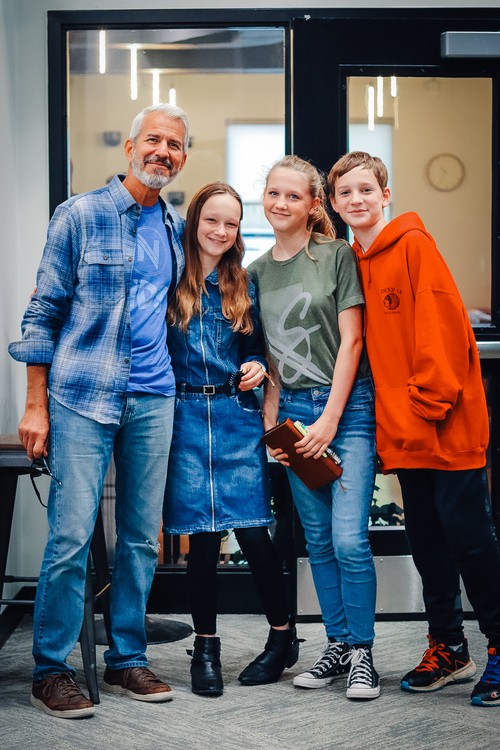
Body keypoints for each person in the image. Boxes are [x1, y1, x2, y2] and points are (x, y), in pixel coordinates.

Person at [8, 102, 190, 718]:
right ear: (130, 147)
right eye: (154, 140)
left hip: (154, 397)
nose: (163, 151)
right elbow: (43, 311)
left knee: (141, 539)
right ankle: (51, 669)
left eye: (175, 144)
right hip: (82, 394)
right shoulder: (79, 215)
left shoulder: (174, 227)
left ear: (182, 158)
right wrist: (35, 405)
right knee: (70, 536)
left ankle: (126, 659)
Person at [327, 150, 500, 708]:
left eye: (366, 189)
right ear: (334, 204)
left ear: (385, 195)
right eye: (345, 192)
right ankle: (449, 647)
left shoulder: (414, 246)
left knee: (469, 540)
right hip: (405, 434)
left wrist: (425, 408)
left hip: (445, 426)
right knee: (426, 542)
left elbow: (442, 333)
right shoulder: (357, 260)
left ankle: (498, 644)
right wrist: (392, 428)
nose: (356, 199)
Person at [248, 155, 380, 701]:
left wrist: (329, 419)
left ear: (313, 205)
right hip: (295, 415)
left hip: (347, 409)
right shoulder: (256, 272)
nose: (281, 203)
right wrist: (273, 423)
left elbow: (353, 341)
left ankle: (363, 654)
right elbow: (270, 357)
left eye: (293, 196)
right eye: (273, 193)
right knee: (319, 542)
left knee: (349, 539)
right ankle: (338, 645)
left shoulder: (336, 255)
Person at [163, 181, 300, 697]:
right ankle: (206, 648)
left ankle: (282, 636)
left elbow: (258, 349)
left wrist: (255, 365)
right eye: (212, 221)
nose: (221, 231)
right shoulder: (169, 279)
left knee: (254, 535)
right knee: (201, 539)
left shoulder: (244, 283)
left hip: (236, 418)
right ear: (194, 223)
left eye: (231, 223)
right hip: (183, 419)